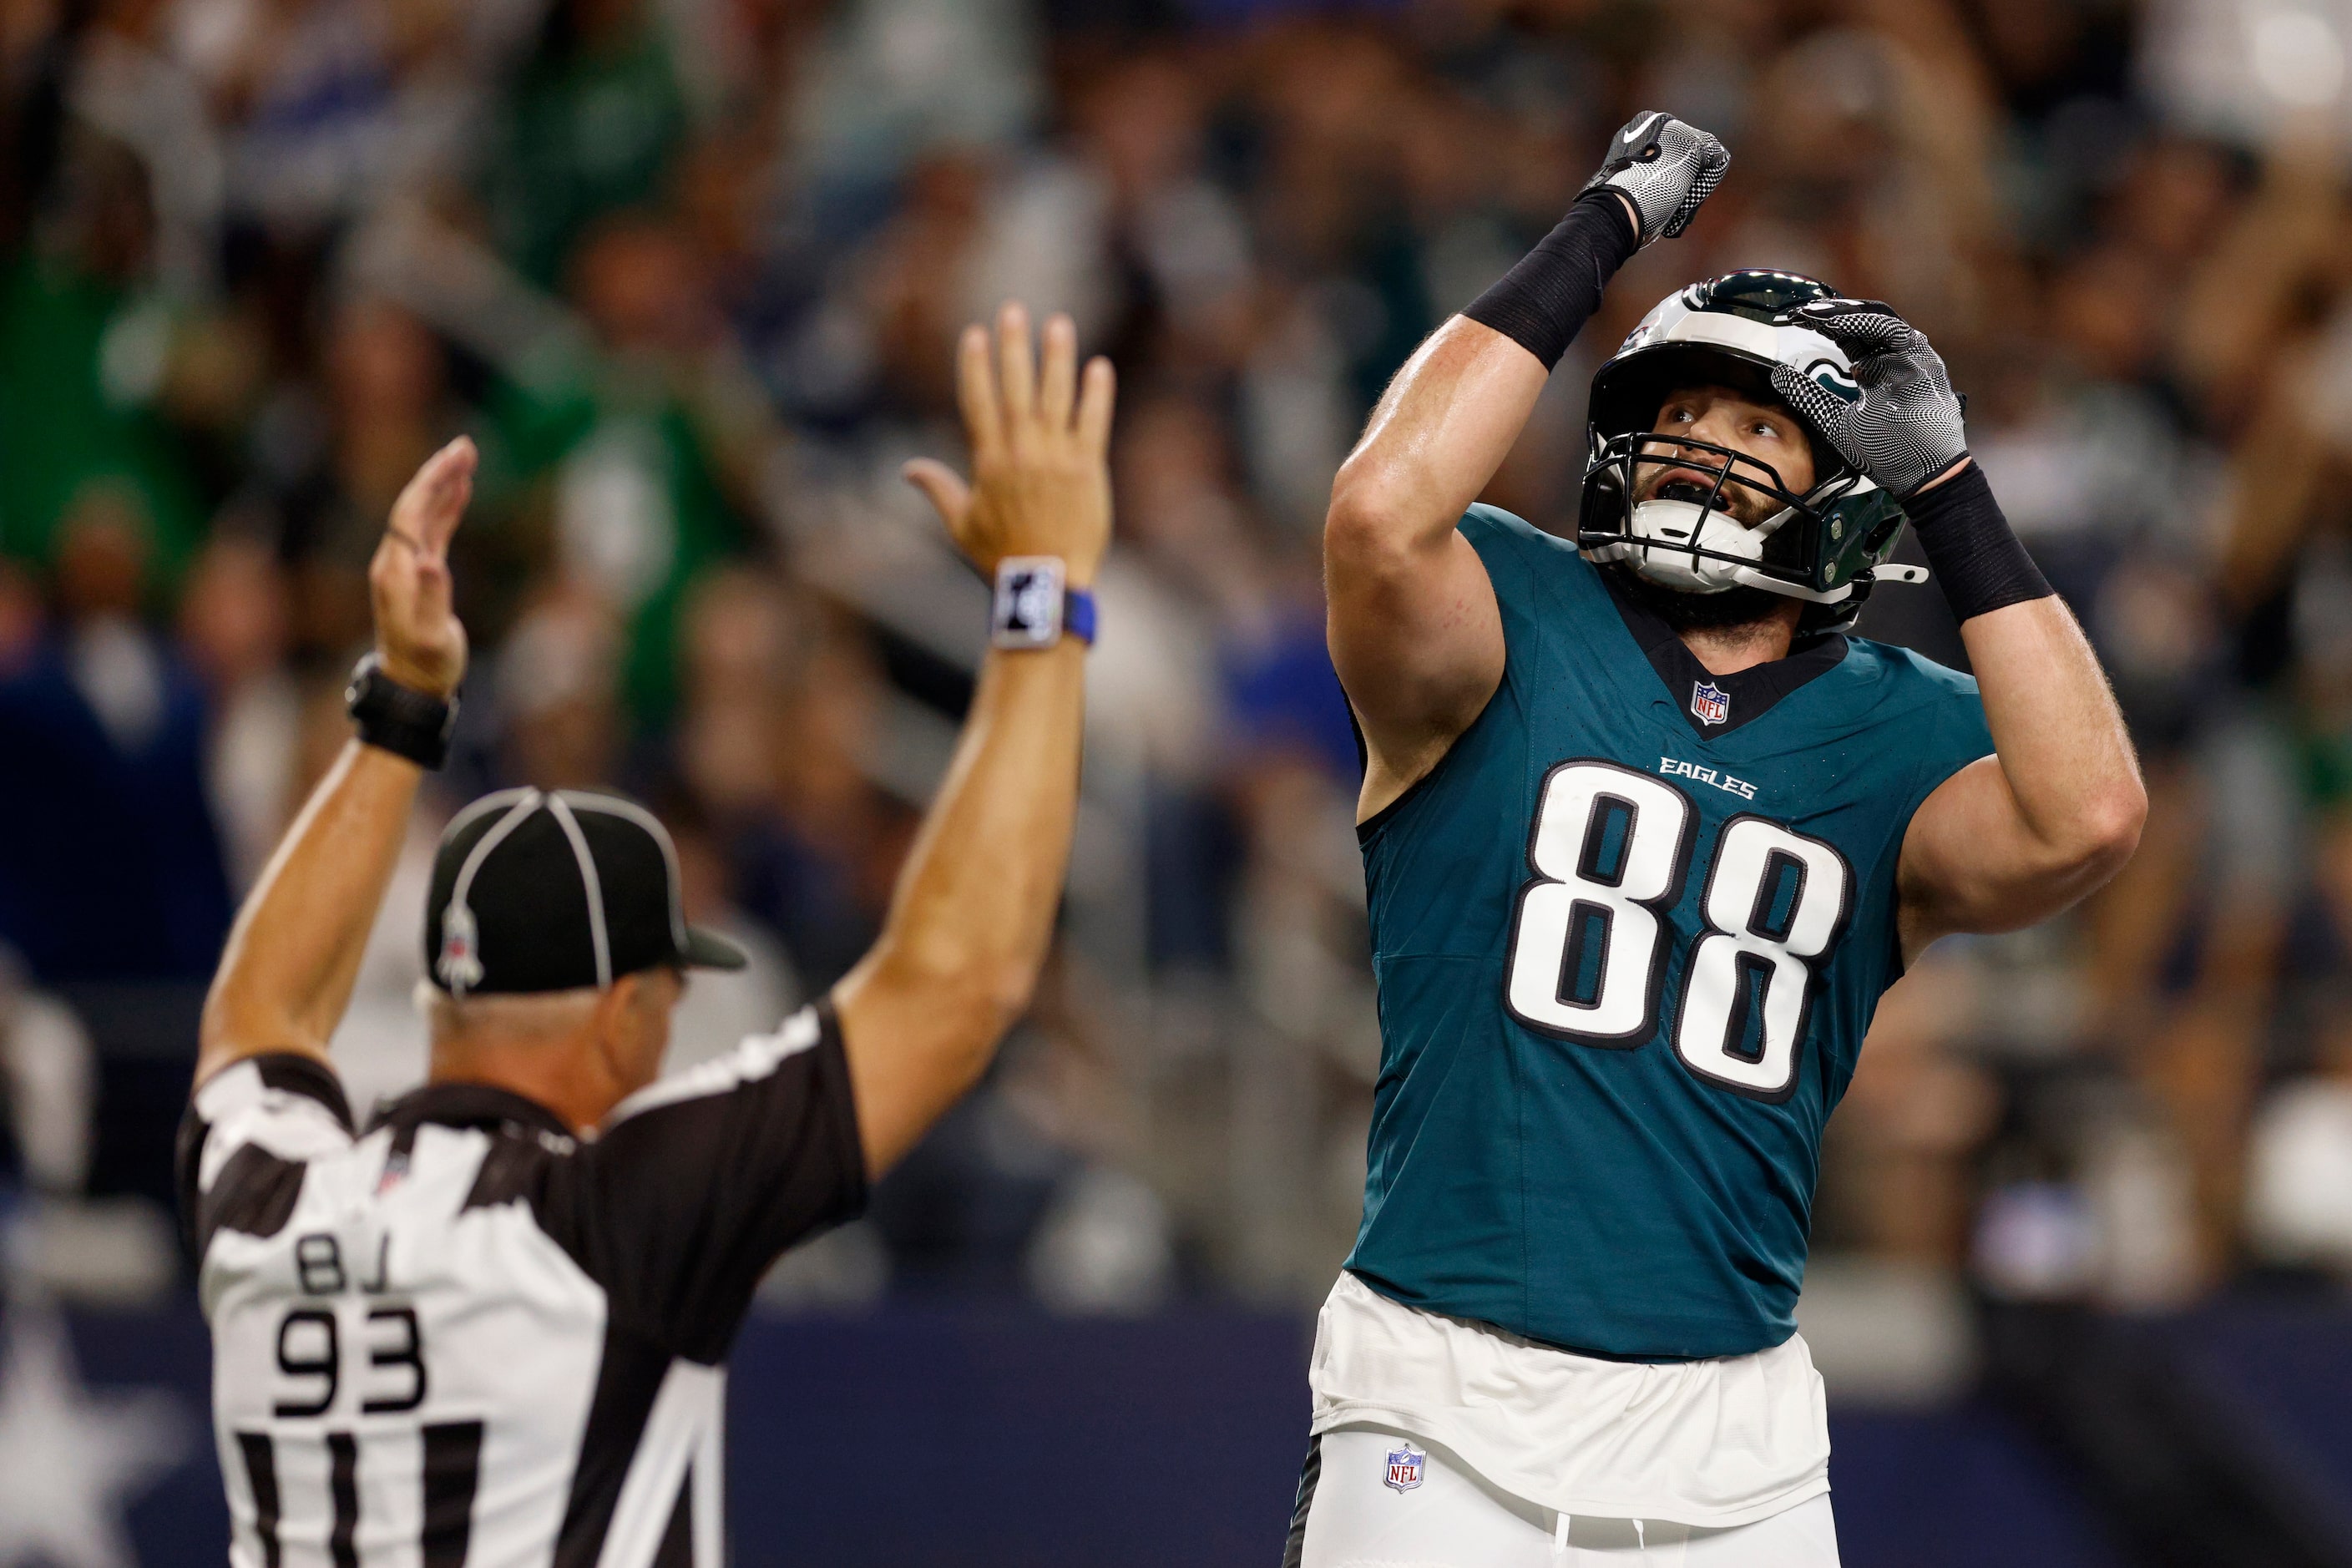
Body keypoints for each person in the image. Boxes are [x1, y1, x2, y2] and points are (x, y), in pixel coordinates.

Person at [1288, 113, 2146, 1565]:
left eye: (1758, 428)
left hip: (1730, 1444)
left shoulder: (1904, 726)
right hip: (1436, 1392)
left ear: (1849, 500)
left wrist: (1954, 490)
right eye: (1677, 415)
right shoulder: (1505, 606)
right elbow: (1378, 511)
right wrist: (1600, 233)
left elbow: (2091, 815)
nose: (1701, 449)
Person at [177, 303, 1113, 1568]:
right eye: (667, 994)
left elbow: (262, 1018)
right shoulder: (609, 1217)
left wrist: (397, 708)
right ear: (625, 1013)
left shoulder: (268, 1199)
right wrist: (1041, 602)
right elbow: (959, 984)